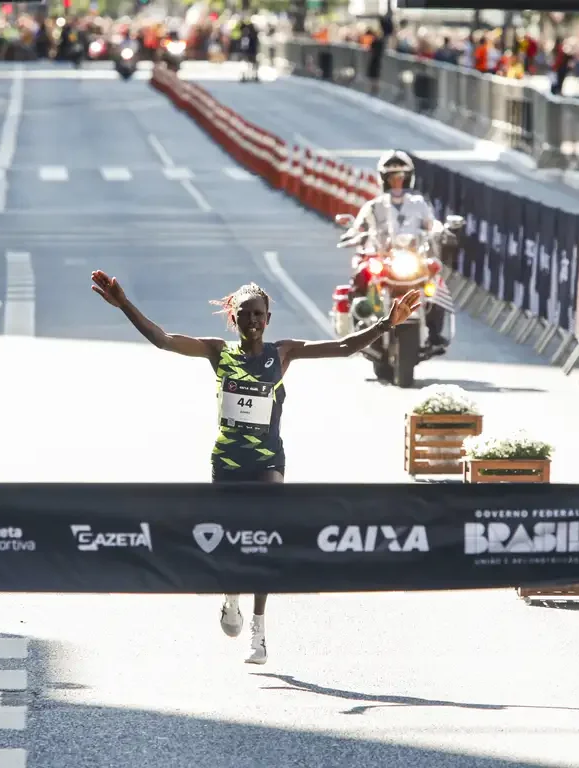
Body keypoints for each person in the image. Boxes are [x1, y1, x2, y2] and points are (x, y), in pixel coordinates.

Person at [90, 270, 421, 664]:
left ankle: (259, 631)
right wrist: (125, 304)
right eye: (244, 315)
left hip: (267, 461)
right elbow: (164, 340)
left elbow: (346, 346)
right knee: (232, 540)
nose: (251, 322)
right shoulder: (219, 353)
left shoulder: (282, 353)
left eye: (258, 315)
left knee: (263, 538)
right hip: (227, 460)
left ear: (268, 318)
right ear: (234, 319)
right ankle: (231, 593)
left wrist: (388, 322)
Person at [347, 150, 451, 349]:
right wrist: (354, 233)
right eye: (392, 178)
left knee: (435, 284)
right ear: (384, 180)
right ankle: (361, 326)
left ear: (408, 179)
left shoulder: (418, 204)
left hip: (412, 258)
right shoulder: (374, 206)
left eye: (401, 178)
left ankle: (434, 333)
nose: (397, 183)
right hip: (383, 257)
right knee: (360, 276)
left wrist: (440, 231)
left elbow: (431, 224)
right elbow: (358, 227)